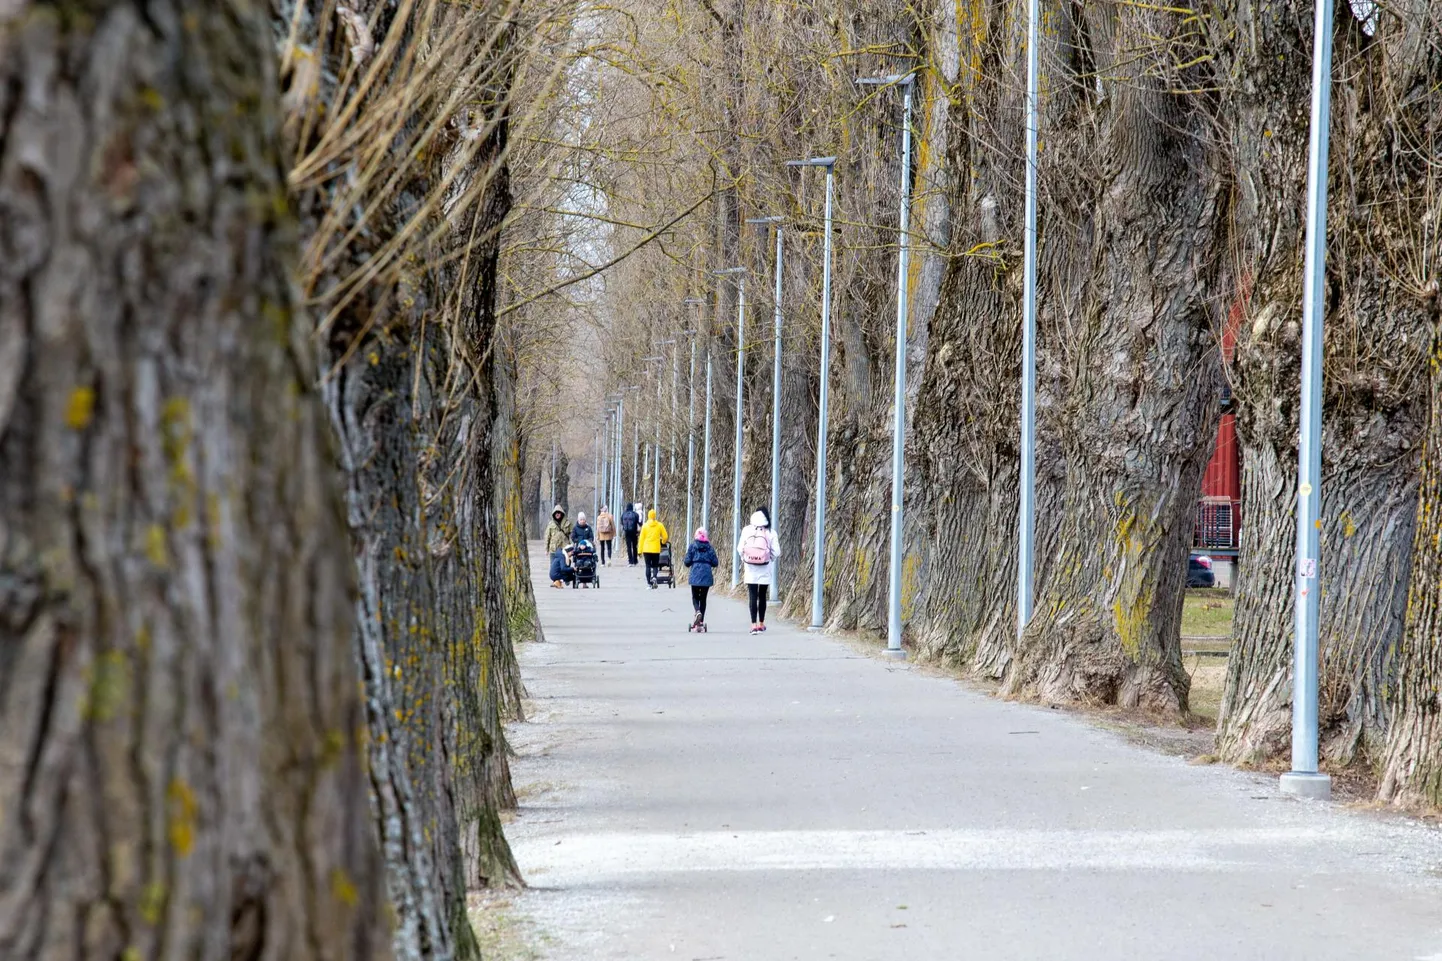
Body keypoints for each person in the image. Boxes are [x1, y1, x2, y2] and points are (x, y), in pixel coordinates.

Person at [737, 509, 781, 634]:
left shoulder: (747, 530)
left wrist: (745, 559)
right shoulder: (771, 532)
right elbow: (776, 552)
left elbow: (740, 548)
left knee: (752, 596)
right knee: (762, 596)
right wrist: (769, 559)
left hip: (750, 568)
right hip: (765, 568)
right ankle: (761, 624)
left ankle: (753, 625)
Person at [683, 528, 719, 631]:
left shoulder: (692, 546)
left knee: (695, 597)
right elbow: (715, 562)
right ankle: (701, 621)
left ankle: (697, 611)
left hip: (695, 573)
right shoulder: (709, 548)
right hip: (706, 574)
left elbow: (687, 562)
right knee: (703, 599)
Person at [638, 508, 669, 588]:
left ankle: (649, 583)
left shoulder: (645, 526)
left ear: (648, 516)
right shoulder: (659, 525)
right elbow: (665, 536)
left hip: (646, 549)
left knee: (648, 566)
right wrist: (663, 542)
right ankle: (654, 577)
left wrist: (639, 551)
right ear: (655, 516)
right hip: (656, 549)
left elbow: (641, 539)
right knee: (655, 565)